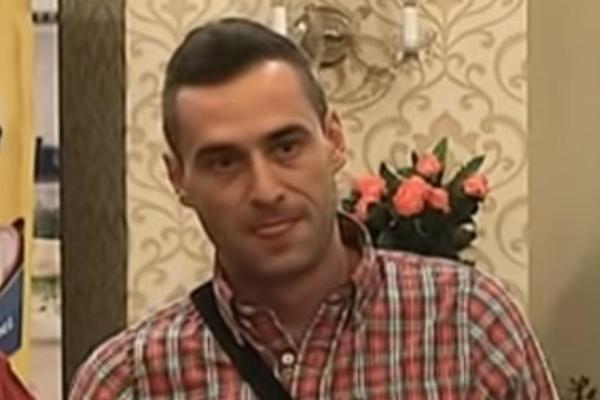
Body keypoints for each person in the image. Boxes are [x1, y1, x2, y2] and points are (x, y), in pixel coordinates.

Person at [69, 17, 558, 399]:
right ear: (179, 179)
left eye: (286, 147)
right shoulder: (128, 379)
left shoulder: (468, 324)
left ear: (333, 139)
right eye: (224, 162)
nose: (265, 190)